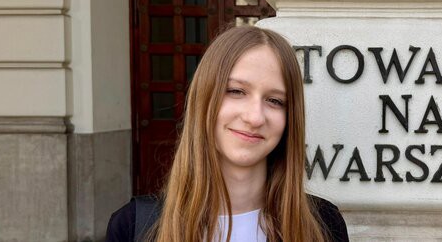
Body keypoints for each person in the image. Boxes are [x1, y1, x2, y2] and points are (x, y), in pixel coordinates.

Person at [106, 26, 349, 241]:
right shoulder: (133, 226)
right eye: (236, 91)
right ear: (204, 98)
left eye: (275, 100)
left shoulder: (325, 226)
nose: (255, 117)